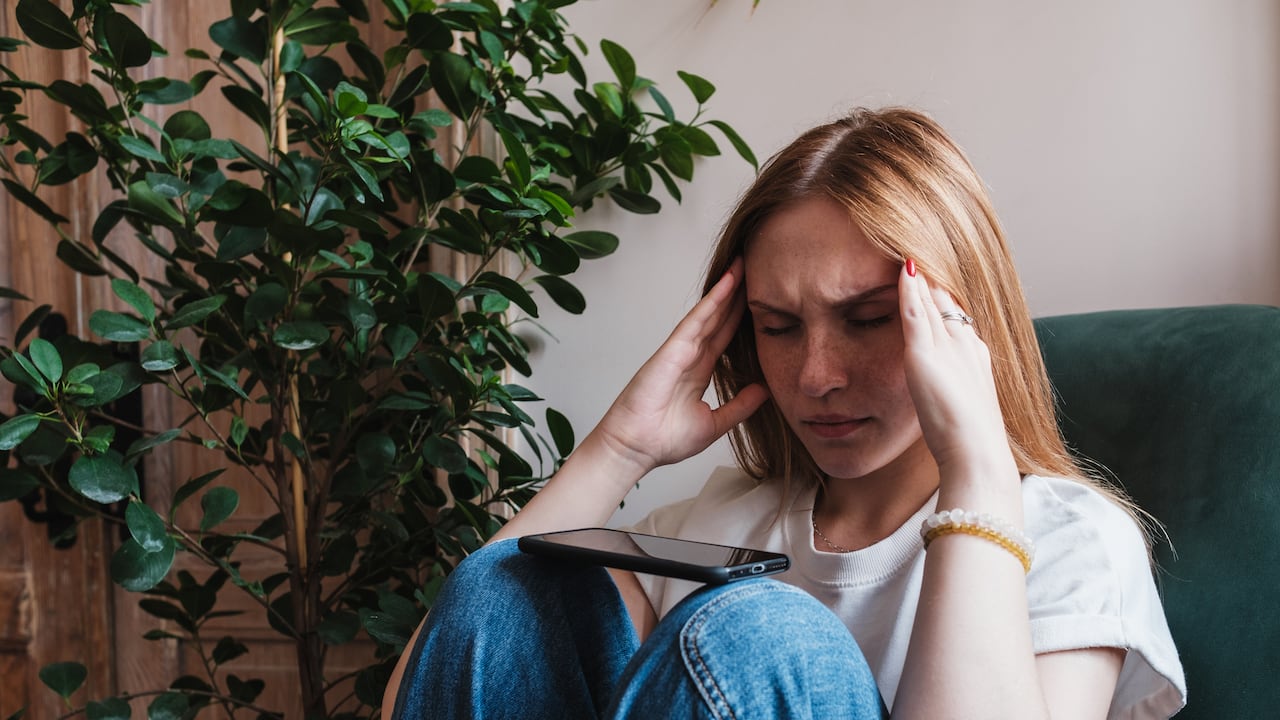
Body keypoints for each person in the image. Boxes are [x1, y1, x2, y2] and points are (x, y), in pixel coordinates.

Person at [384, 107, 1187, 719]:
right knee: (505, 579)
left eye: (869, 319)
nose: (816, 376)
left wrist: (978, 474)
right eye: (777, 327)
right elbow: (430, 690)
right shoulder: (717, 523)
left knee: (761, 632)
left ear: (960, 324)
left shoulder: (1070, 541)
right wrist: (618, 450)